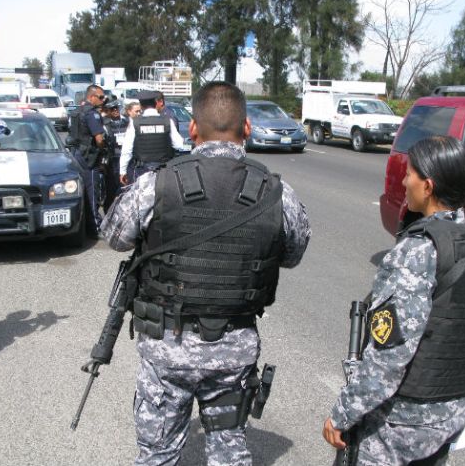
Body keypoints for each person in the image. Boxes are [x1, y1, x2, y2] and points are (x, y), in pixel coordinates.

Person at [101, 81, 311, 466]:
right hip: (233, 352)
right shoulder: (277, 192)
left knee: (157, 457)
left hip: (167, 350)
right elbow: (293, 254)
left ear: (192, 129)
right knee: (229, 457)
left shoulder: (157, 184)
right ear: (246, 128)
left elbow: (114, 236)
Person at [322, 135, 465, 466]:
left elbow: (388, 359)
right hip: (447, 419)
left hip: (399, 427)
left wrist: (342, 414)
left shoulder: (417, 252)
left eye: (410, 174)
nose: (403, 182)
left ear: (428, 186)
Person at [66, 84, 108, 238]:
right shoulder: (92, 114)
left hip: (76, 154)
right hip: (89, 156)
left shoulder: (76, 111)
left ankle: (82, 223)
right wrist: (103, 148)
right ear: (92, 97)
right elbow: (99, 139)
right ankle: (94, 226)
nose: (103, 101)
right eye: (101, 97)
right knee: (92, 191)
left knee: (80, 190)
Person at [118, 90, 184, 186]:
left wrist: (122, 171)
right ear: (155, 103)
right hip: (164, 170)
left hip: (142, 171)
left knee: (144, 199)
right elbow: (179, 145)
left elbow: (127, 150)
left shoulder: (135, 123)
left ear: (141, 105)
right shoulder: (167, 121)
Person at [101, 99, 129, 213]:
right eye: (112, 109)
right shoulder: (105, 124)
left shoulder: (127, 121)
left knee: (125, 187)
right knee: (111, 188)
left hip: (126, 158)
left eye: (117, 108)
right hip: (113, 161)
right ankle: (109, 212)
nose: (116, 110)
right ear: (108, 111)